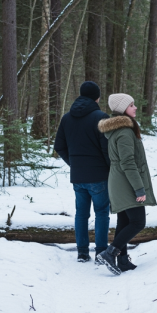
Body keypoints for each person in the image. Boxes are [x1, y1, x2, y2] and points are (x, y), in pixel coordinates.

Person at [95, 94, 157, 275]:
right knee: (138, 222)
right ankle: (110, 253)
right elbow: (128, 162)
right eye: (131, 105)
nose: (135, 107)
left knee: (124, 221)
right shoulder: (124, 131)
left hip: (119, 180)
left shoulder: (120, 129)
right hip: (125, 182)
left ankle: (122, 260)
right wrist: (139, 188)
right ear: (123, 109)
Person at [54, 81, 112, 262]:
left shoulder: (66, 118)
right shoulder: (101, 117)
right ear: (97, 97)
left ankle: (82, 252)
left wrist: (74, 163)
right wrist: (109, 168)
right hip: (99, 176)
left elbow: (59, 146)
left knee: (81, 214)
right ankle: (102, 252)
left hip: (78, 176)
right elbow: (106, 149)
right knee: (102, 212)